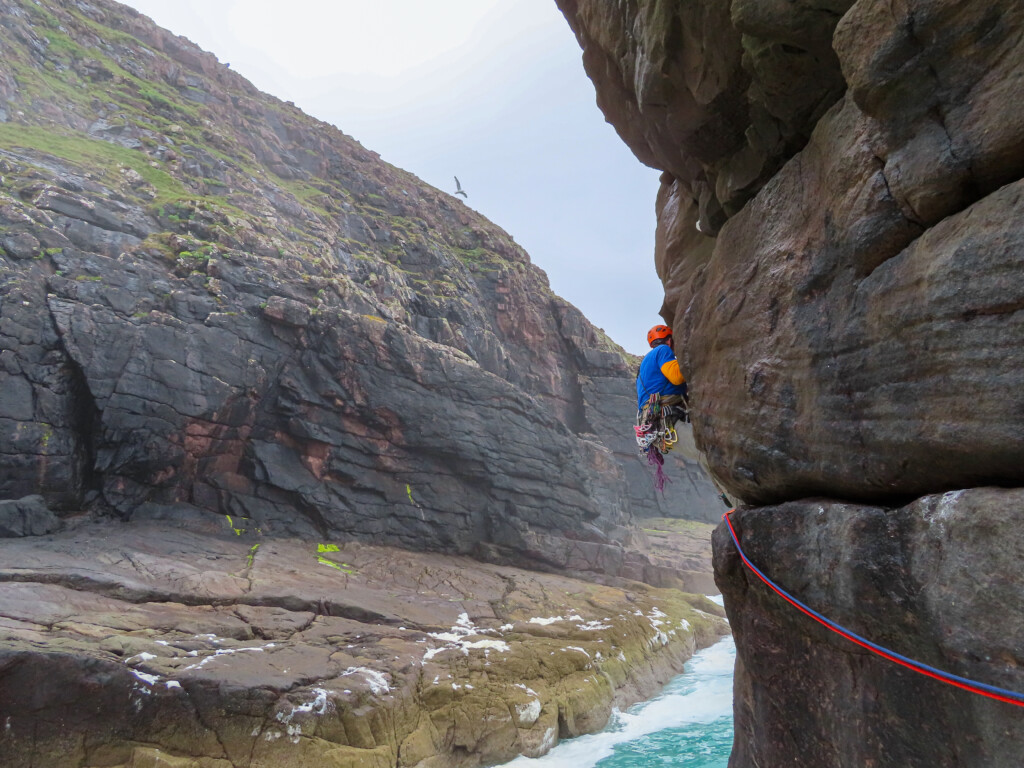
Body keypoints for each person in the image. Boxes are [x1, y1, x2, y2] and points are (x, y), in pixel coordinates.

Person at [636, 324, 688, 416]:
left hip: (648, 416)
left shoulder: (643, 365)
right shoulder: (663, 349)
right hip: (667, 411)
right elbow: (676, 377)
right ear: (669, 341)